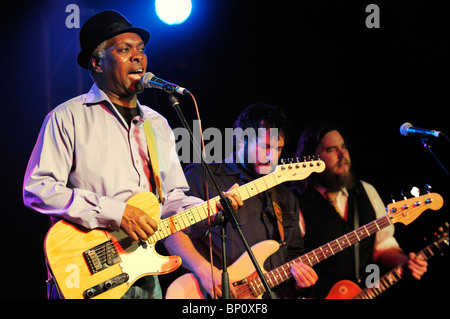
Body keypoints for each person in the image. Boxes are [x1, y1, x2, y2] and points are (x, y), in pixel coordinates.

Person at [22, 10, 241, 299]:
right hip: (89, 274)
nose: (138, 56)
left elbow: (171, 198)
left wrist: (206, 212)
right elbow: (38, 189)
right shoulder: (66, 117)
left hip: (145, 275)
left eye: (141, 49)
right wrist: (117, 213)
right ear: (97, 63)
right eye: (125, 49)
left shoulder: (156, 123)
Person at [163, 103, 318, 299]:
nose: (271, 156)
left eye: (278, 149)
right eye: (265, 146)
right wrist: (204, 271)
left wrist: (302, 281)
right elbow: (171, 230)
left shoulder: (285, 196)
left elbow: (293, 254)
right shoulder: (203, 176)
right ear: (239, 139)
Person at [292, 121, 428, 298]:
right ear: (311, 157)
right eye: (331, 149)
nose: (342, 155)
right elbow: (292, 263)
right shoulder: (296, 202)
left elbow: (383, 246)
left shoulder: (366, 191)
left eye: (344, 147)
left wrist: (406, 261)